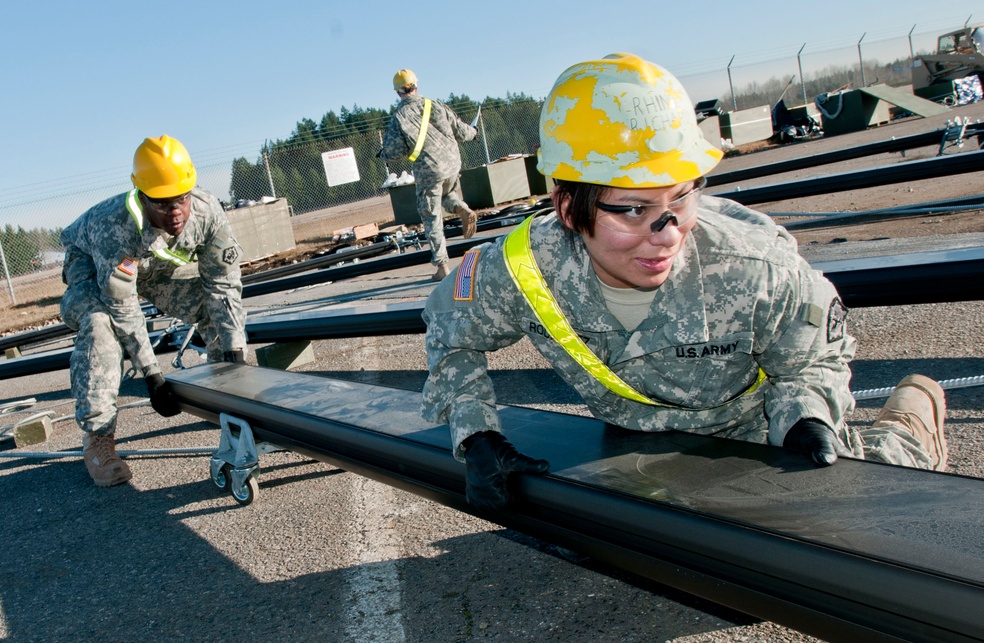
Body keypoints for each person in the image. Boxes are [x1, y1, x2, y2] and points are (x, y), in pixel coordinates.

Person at [420, 53, 948, 513]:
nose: (666, 233)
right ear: (567, 207)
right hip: (636, 441)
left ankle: (911, 421)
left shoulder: (756, 264)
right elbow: (450, 329)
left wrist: (802, 418)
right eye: (633, 210)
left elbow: (811, 360)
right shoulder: (521, 267)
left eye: (681, 197)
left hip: (753, 431)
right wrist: (477, 430)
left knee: (857, 509)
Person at [60, 135, 247, 487]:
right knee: (101, 327)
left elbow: (223, 287)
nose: (174, 211)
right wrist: (152, 375)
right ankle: (99, 439)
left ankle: (232, 403)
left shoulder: (207, 212)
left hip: (153, 264)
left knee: (216, 313)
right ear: (142, 196)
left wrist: (235, 355)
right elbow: (123, 305)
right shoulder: (114, 227)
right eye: (162, 203)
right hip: (95, 266)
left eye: (181, 199)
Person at [382, 68, 479, 281]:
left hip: (428, 170)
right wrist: (475, 133)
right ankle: (462, 209)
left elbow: (393, 152)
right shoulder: (435, 104)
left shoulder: (400, 117)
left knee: (431, 215)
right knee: (447, 195)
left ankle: (442, 267)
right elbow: (462, 131)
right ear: (416, 86)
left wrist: (383, 154)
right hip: (452, 163)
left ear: (398, 92)